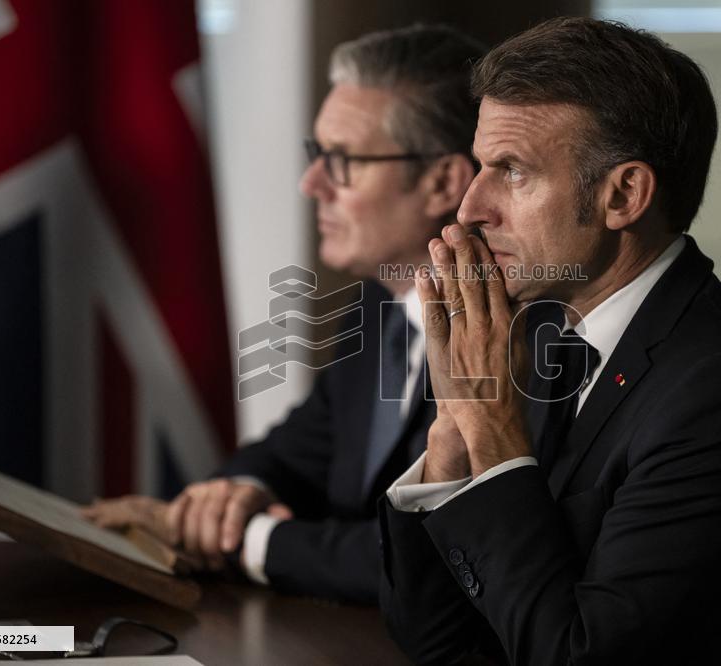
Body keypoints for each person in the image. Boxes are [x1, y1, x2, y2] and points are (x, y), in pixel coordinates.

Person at [378, 17, 721, 665]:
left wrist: (489, 422)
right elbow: (434, 641)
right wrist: (453, 437)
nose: (469, 209)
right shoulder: (540, 341)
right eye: (481, 167)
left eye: (512, 171)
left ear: (624, 194)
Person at [83, 24, 483, 604]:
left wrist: (250, 540)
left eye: (342, 161)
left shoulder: (512, 338)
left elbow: (436, 558)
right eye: (316, 154)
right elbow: (293, 451)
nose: (311, 183)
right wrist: (231, 495)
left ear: (443, 181)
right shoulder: (377, 306)